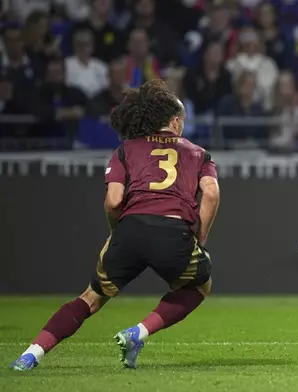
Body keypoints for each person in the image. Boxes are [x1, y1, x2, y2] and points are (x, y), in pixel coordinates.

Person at [9, 79, 220, 371]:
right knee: (199, 287)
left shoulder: (126, 149)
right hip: (173, 233)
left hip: (130, 230)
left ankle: (31, 354)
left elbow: (113, 201)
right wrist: (201, 237)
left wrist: (116, 231)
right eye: (181, 120)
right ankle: (139, 332)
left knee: (91, 298)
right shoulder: (197, 152)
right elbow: (210, 193)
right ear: (174, 122)